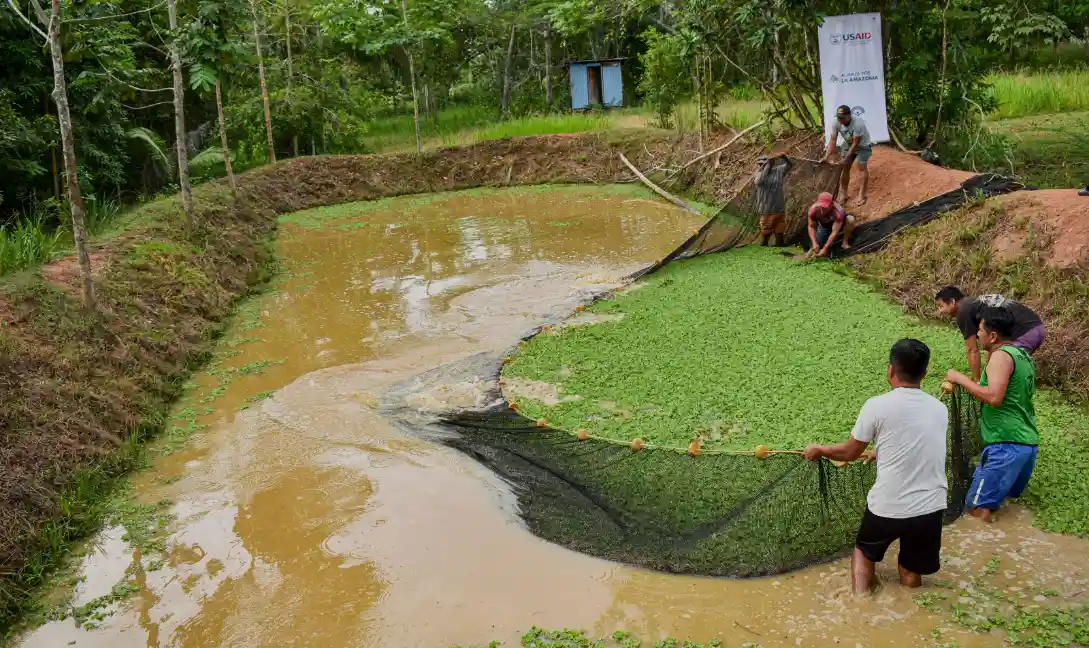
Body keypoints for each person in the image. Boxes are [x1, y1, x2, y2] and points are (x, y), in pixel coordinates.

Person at [803, 339, 948, 595]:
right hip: (930, 507)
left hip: (888, 505)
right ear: (924, 373)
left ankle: (860, 604)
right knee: (911, 570)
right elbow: (916, 447)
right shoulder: (940, 409)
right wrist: (879, 453)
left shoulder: (876, 406)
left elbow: (849, 452)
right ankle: (910, 606)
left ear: (890, 370)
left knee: (863, 553)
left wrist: (820, 449)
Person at [944, 306, 1038, 523]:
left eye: (980, 330)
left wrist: (959, 378)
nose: (977, 334)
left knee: (977, 512)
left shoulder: (1001, 357)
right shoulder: (1023, 356)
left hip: (1005, 445)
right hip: (1026, 445)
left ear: (993, 335)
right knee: (1001, 505)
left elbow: (994, 397)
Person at [934, 286, 1045, 382]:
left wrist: (977, 381)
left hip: (1026, 332)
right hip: (1037, 328)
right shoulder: (973, 304)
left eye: (941, 306)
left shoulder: (963, 311)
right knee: (1000, 370)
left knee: (1007, 377)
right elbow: (993, 346)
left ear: (952, 302)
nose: (940, 311)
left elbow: (972, 349)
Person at [820, 105, 872, 206]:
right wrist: (826, 157)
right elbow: (833, 141)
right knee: (844, 168)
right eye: (839, 117)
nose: (840, 120)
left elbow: (855, 143)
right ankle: (844, 194)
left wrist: (845, 159)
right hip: (848, 144)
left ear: (849, 115)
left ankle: (861, 195)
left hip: (863, 146)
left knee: (860, 166)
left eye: (842, 118)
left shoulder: (858, 123)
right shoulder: (836, 122)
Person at [754, 154, 793, 247]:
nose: (761, 165)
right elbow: (759, 182)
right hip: (766, 210)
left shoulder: (778, 170)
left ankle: (779, 246)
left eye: (763, 163)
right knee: (765, 234)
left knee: (779, 233)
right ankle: (765, 247)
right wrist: (767, 166)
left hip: (779, 208)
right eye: (760, 164)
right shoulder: (758, 173)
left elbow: (791, 164)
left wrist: (784, 157)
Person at [805, 191, 856, 257]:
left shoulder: (838, 212)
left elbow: (834, 232)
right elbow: (811, 226)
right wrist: (814, 242)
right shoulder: (813, 210)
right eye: (821, 206)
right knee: (817, 245)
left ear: (831, 204)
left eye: (825, 207)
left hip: (839, 225)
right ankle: (811, 251)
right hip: (825, 226)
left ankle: (845, 242)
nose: (823, 209)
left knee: (850, 219)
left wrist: (825, 248)